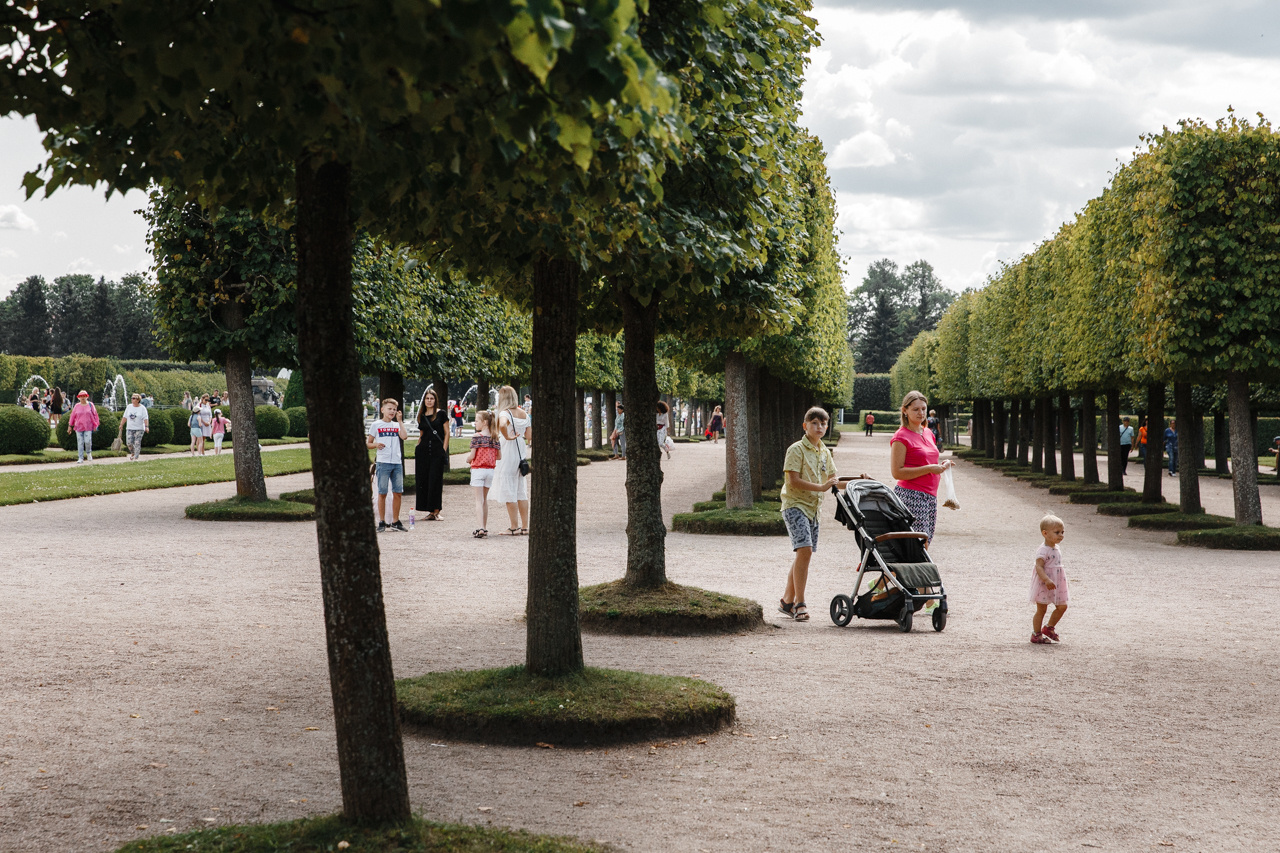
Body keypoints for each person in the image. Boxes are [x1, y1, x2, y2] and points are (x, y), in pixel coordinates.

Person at [778, 406, 839, 623]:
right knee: (804, 549)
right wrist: (821, 488)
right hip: (795, 505)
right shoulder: (796, 449)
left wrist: (859, 479)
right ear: (805, 426)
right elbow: (792, 480)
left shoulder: (824, 451)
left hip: (814, 509)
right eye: (814, 423)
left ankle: (786, 600)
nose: (819, 427)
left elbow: (833, 479)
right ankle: (799, 603)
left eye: (823, 423)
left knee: (804, 553)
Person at [890, 390, 953, 550]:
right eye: (916, 409)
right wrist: (929, 469)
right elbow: (897, 472)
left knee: (922, 545)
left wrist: (942, 465)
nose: (921, 413)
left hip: (930, 497)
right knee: (917, 547)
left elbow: (929, 459)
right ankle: (906, 575)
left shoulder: (928, 432)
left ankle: (890, 575)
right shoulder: (901, 437)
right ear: (905, 410)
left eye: (923, 409)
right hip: (911, 496)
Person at [490, 385, 530, 535]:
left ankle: (514, 526)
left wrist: (507, 436)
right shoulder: (524, 413)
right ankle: (525, 526)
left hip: (508, 449)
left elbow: (501, 425)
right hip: (520, 450)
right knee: (521, 489)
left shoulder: (504, 413)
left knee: (508, 486)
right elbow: (529, 436)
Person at [367, 398, 408, 532]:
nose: (392, 411)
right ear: (382, 409)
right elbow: (368, 443)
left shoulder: (396, 425)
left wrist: (400, 421)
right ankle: (381, 521)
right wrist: (375, 445)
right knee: (382, 492)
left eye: (394, 409)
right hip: (383, 462)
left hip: (396, 462)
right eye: (389, 409)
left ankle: (395, 521)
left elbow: (404, 436)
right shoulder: (376, 425)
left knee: (398, 492)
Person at [1030, 514, 1069, 644]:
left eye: (1062, 532)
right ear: (1045, 533)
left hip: (1057, 582)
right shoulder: (1043, 550)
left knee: (1062, 606)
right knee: (1042, 609)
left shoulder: (1056, 548)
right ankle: (1036, 633)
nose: (1061, 535)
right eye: (1057, 532)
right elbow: (1039, 567)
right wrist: (1046, 580)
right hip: (1044, 583)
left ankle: (1049, 627)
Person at [465, 410, 502, 538]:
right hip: (490, 471)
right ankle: (484, 527)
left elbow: (472, 455)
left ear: (484, 422)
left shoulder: (477, 437)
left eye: (476, 420)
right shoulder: (495, 437)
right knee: (484, 500)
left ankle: (480, 527)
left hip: (478, 469)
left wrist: (468, 459)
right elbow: (499, 457)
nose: (475, 423)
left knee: (478, 500)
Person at [415, 388, 449, 522]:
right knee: (424, 480)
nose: (429, 401)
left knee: (435, 480)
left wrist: (443, 450)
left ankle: (437, 510)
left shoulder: (441, 414)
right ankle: (429, 511)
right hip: (423, 451)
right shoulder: (422, 415)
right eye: (427, 398)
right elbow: (421, 434)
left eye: (432, 398)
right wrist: (417, 447)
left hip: (436, 450)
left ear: (435, 400)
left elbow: (447, 433)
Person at [68, 390, 99, 464]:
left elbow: (95, 415)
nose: (83, 398)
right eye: (81, 396)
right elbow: (72, 416)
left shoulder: (90, 405)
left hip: (88, 426)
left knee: (87, 441)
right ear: (78, 398)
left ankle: (88, 452)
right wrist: (70, 426)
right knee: (80, 442)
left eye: (84, 396)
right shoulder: (77, 406)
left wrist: (95, 425)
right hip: (78, 427)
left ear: (87, 397)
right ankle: (80, 457)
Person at [119, 393, 149, 461]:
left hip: (139, 428)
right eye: (132, 398)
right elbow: (125, 416)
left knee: (137, 442)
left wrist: (146, 426)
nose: (132, 399)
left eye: (134, 398)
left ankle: (136, 456)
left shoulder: (142, 408)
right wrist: (121, 424)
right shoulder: (129, 407)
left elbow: (145, 418)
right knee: (129, 443)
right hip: (130, 428)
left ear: (138, 400)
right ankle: (133, 452)